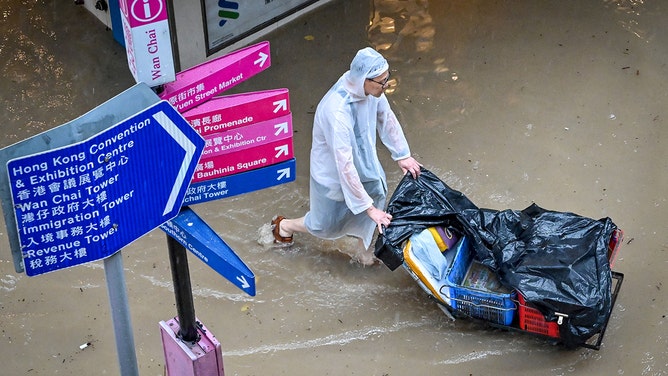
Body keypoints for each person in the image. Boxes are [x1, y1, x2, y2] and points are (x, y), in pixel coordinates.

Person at [271, 47, 422, 263]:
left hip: (364, 162)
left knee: (376, 196)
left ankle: (363, 253)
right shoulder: (337, 110)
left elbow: (386, 119)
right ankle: (284, 225)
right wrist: (368, 208)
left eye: (387, 79)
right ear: (364, 79)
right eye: (382, 81)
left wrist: (402, 154)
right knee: (324, 223)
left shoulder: (372, 91)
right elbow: (344, 164)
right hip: (333, 173)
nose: (386, 85)